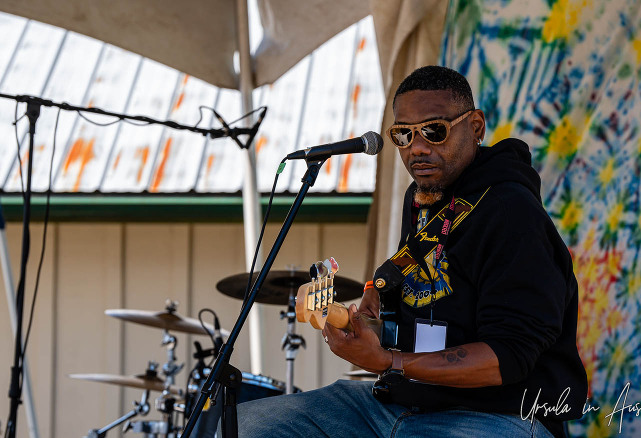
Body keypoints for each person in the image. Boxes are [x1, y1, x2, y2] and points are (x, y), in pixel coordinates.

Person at [225, 65, 588, 438]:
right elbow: (429, 314)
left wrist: (389, 361)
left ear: (475, 126)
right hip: (401, 403)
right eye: (403, 134)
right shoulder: (421, 198)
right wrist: (374, 319)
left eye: (434, 130)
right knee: (247, 426)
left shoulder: (512, 213)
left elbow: (508, 358)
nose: (417, 147)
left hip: (496, 416)